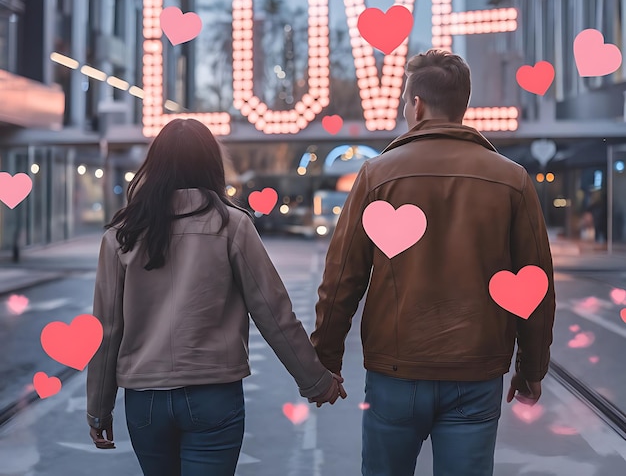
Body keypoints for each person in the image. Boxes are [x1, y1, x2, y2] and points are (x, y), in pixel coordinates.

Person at [311, 49, 556, 476]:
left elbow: (341, 281)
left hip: (395, 372)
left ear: (417, 105)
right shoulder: (512, 180)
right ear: (463, 106)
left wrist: (325, 361)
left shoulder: (376, 176)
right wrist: (531, 367)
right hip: (477, 373)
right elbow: (535, 283)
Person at [86, 118, 346, 476]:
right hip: (213, 394)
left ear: (155, 165)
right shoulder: (231, 225)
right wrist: (315, 380)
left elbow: (107, 329)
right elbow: (273, 311)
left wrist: (99, 408)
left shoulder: (121, 234)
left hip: (144, 399)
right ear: (210, 164)